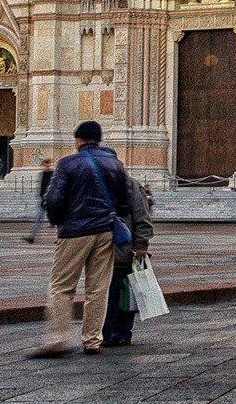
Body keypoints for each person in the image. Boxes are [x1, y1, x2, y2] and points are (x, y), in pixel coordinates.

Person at [28, 120, 132, 358]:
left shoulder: (68, 163)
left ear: (79, 140)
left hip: (75, 231)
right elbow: (125, 202)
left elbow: (52, 200)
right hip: (105, 231)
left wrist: (59, 221)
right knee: (98, 288)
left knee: (62, 287)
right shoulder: (114, 164)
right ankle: (93, 340)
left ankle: (58, 339)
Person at [101, 178, 155, 349]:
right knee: (102, 295)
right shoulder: (93, 182)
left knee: (123, 294)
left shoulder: (130, 185)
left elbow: (142, 217)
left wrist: (141, 245)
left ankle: (121, 333)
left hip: (123, 251)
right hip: (99, 253)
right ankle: (103, 333)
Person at [24, 158, 54, 243]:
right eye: (45, 164)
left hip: (52, 199)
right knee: (38, 219)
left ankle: (60, 238)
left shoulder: (53, 174)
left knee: (59, 220)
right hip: (44, 200)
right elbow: (41, 188)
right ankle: (32, 236)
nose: (46, 166)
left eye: (47, 164)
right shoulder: (42, 174)